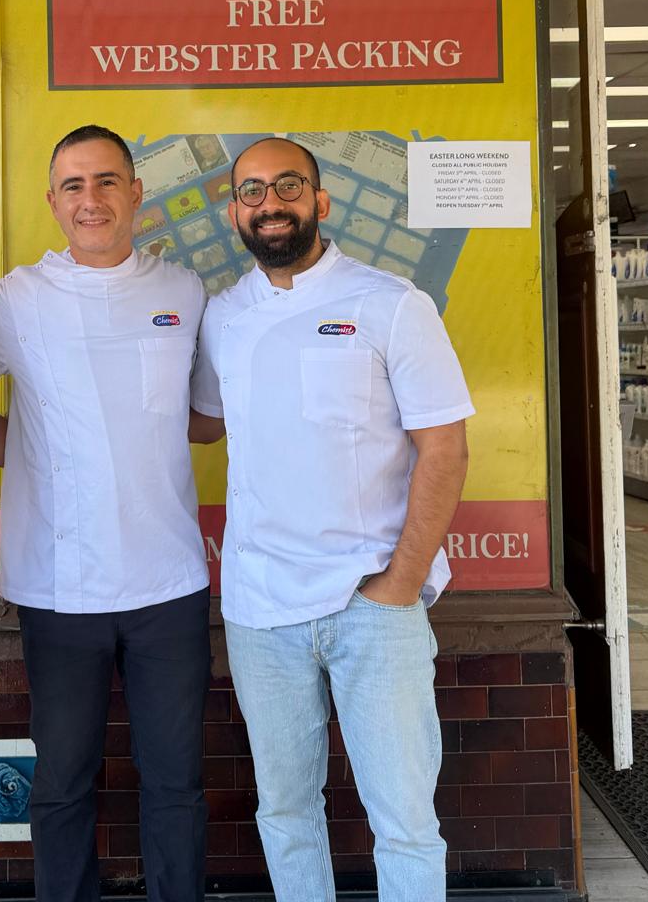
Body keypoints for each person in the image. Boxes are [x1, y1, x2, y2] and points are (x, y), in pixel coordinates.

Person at [190, 137, 472, 902]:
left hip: (369, 603)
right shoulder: (223, 317)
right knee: (285, 811)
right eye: (252, 192)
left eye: (288, 186)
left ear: (320, 200)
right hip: (260, 611)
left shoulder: (391, 303)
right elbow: (202, 422)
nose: (270, 204)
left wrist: (399, 584)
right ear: (234, 211)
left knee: (405, 821)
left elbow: (445, 448)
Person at [0, 124, 213, 902]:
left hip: (169, 582)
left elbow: (206, 418)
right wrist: (41, 454)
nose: (92, 199)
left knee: (176, 781)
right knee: (61, 783)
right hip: (58, 584)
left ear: (136, 193)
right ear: (52, 201)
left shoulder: (184, 291)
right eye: (74, 185)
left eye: (108, 181)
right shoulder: (15, 299)